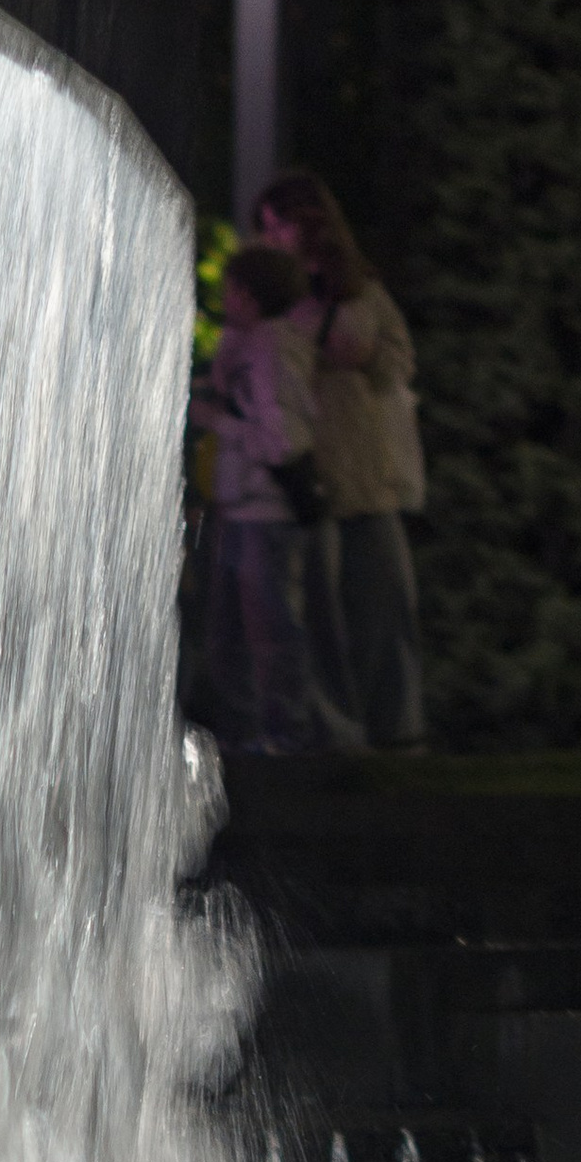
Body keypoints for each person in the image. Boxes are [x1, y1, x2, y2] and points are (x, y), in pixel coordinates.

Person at [252, 170, 426, 750]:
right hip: (312, 471)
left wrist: (365, 353)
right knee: (322, 617)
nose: (279, 233)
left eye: (286, 220)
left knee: (385, 604)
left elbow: (399, 363)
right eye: (271, 223)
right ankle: (337, 736)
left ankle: (398, 731)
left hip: (368, 468)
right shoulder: (278, 299)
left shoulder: (361, 292)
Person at [188, 244, 358, 756]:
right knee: (236, 634)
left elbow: (281, 439)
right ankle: (251, 740)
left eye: (233, 287)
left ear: (250, 293)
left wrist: (215, 421)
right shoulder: (253, 343)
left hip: (264, 511)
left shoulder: (271, 347)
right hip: (242, 509)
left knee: (268, 632)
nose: (226, 296)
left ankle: (286, 739)